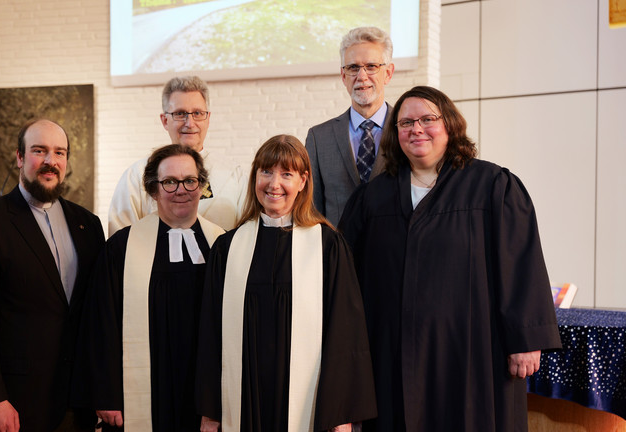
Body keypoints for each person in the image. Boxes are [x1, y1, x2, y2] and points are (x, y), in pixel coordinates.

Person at [338, 86, 562, 431]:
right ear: (394, 134)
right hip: (393, 350)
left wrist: (526, 341)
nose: (416, 129)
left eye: (428, 119)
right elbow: (347, 275)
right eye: (406, 122)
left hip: (472, 348)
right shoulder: (373, 197)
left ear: (450, 126)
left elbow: (521, 263)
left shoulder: (490, 185)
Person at [196, 135, 377, 432]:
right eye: (266, 172)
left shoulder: (328, 246)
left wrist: (341, 413)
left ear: (304, 181)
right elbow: (210, 332)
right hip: (244, 398)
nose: (274, 184)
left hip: (309, 399)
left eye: (287, 174)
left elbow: (346, 335)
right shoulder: (227, 248)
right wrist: (211, 410)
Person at [0, 119, 105, 432]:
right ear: (20, 158)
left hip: (78, 403)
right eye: (39, 151)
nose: (51, 161)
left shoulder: (88, 224)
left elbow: (96, 315)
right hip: (16, 404)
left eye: (59, 152)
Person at [73, 144, 225, 431]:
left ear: (201, 187)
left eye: (190, 180)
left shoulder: (222, 245)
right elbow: (100, 324)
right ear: (153, 190)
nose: (181, 190)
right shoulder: (122, 248)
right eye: (169, 182)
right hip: (145, 390)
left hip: (202, 393)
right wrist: (106, 394)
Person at [107, 76, 246, 233]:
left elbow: (246, 237)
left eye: (198, 113)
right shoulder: (136, 175)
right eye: (180, 114)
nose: (190, 123)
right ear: (165, 120)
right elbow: (120, 241)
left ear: (208, 118)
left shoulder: (234, 175)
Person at [305, 26, 395, 226]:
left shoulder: (407, 130)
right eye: (353, 67)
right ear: (343, 76)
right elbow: (311, 212)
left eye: (371, 66)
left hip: (395, 254)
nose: (362, 76)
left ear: (388, 73)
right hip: (338, 254)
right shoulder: (319, 138)